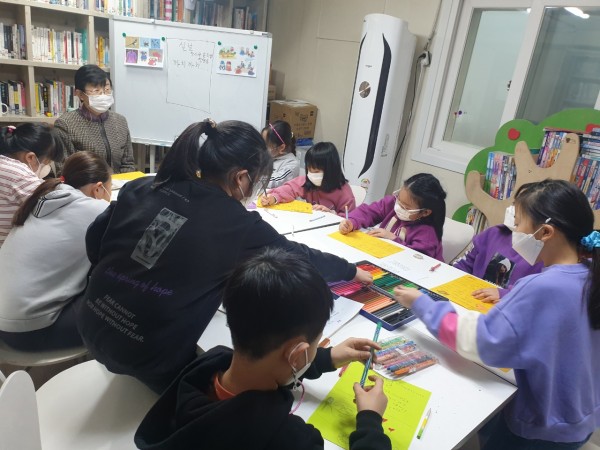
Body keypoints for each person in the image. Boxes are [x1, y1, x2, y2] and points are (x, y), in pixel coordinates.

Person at [74, 119, 372, 394]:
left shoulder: (145, 185)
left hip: (89, 326)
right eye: (257, 180)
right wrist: (350, 270)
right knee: (248, 372)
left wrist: (127, 275)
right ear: (240, 177)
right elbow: (297, 257)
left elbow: (94, 240)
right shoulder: (237, 223)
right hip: (151, 358)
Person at [394, 179, 600, 450]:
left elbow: (481, 342)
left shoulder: (544, 287)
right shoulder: (589, 273)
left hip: (542, 426)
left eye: (520, 223)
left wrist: (423, 304)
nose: (516, 231)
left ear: (546, 232)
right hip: (581, 413)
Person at [134, 248, 391, 450]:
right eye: (317, 344)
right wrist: (370, 420)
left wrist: (327, 358)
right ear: (297, 354)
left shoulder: (205, 366)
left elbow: (271, 365)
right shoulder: (291, 440)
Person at [0, 151, 110, 351]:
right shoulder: (96, 210)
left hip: (6, 322)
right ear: (98, 189)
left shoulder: (43, 198)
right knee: (123, 303)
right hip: (30, 332)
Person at [339, 173, 446, 261]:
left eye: (406, 207)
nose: (399, 206)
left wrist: (393, 239)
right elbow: (368, 212)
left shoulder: (427, 232)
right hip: (384, 260)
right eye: (399, 199)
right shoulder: (393, 203)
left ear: (425, 212)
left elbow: (418, 259)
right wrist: (352, 222)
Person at [54, 64, 136, 174]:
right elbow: (64, 170)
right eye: (96, 91)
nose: (103, 95)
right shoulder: (65, 124)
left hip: (119, 183)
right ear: (80, 94)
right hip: (85, 183)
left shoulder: (120, 121)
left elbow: (128, 164)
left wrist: (123, 183)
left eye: (107, 90)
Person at [453, 205, 543, 303]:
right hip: (470, 297)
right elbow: (465, 264)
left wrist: (505, 294)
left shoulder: (545, 256)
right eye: (514, 203)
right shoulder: (493, 233)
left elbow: (535, 295)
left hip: (505, 306)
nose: (512, 209)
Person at [0, 123, 63, 247]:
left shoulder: (5, 163)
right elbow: (53, 204)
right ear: (31, 158)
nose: (47, 168)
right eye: (46, 163)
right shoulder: (19, 175)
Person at [259, 142, 355, 217]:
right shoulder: (307, 181)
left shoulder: (344, 193)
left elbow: (350, 220)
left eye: (316, 171)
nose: (311, 175)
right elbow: (289, 189)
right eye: (309, 170)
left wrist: (332, 214)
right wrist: (273, 198)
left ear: (331, 170)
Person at [261, 120, 299, 188]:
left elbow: (275, 182)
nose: (262, 147)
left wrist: (253, 177)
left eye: (266, 145)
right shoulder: (272, 156)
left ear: (281, 147)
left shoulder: (292, 164)